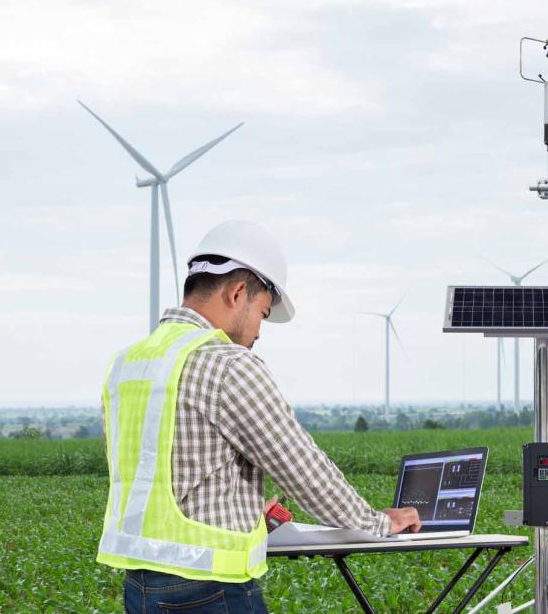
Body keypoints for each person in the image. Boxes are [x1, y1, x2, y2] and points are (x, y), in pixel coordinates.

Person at [97, 220, 420, 613]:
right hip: (209, 589)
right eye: (263, 314)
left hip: (142, 587)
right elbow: (304, 470)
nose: (259, 332)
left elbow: (159, 473)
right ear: (237, 293)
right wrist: (378, 524)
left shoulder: (128, 364)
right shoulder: (226, 363)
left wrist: (245, 507)